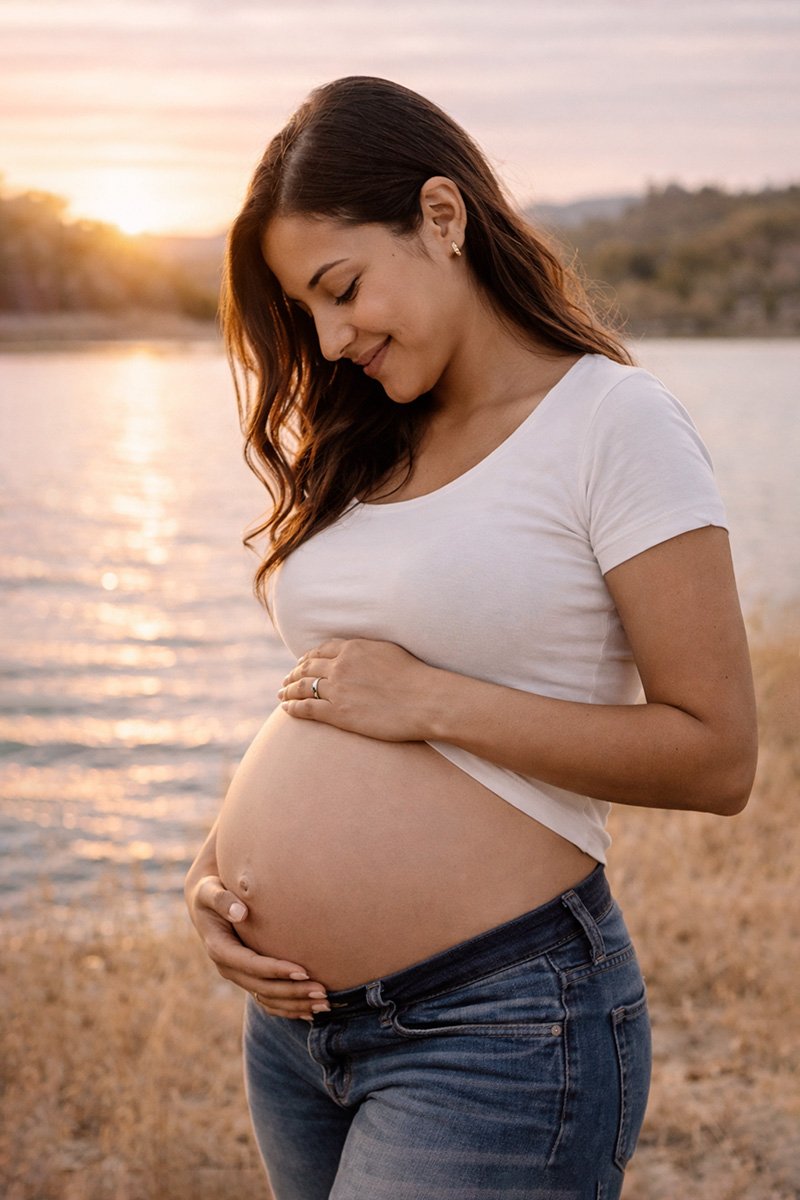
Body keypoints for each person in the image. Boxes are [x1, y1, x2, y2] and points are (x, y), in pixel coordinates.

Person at [184, 76, 757, 1200]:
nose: (331, 337)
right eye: (304, 312)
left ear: (441, 219)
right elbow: (331, 691)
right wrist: (214, 878)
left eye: (340, 289)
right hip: (299, 1036)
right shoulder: (366, 443)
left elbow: (715, 754)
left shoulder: (611, 423)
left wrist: (430, 701)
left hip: (495, 1027)